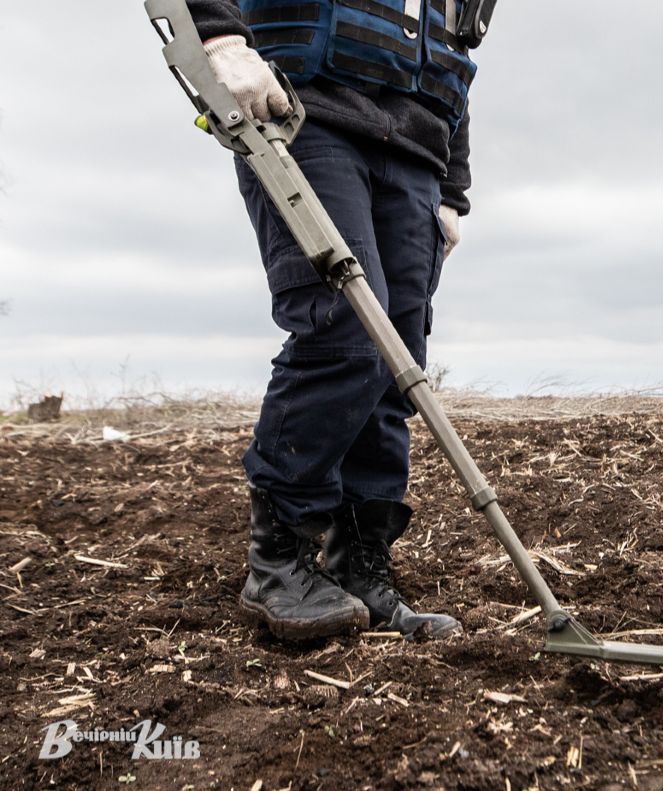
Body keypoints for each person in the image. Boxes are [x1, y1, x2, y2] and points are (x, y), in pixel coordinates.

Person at [186, 0, 490, 640]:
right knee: (347, 332)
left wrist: (454, 188)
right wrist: (218, 38)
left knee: (398, 360)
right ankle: (278, 562)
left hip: (416, 155)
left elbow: (457, 57)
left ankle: (359, 565)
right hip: (304, 113)